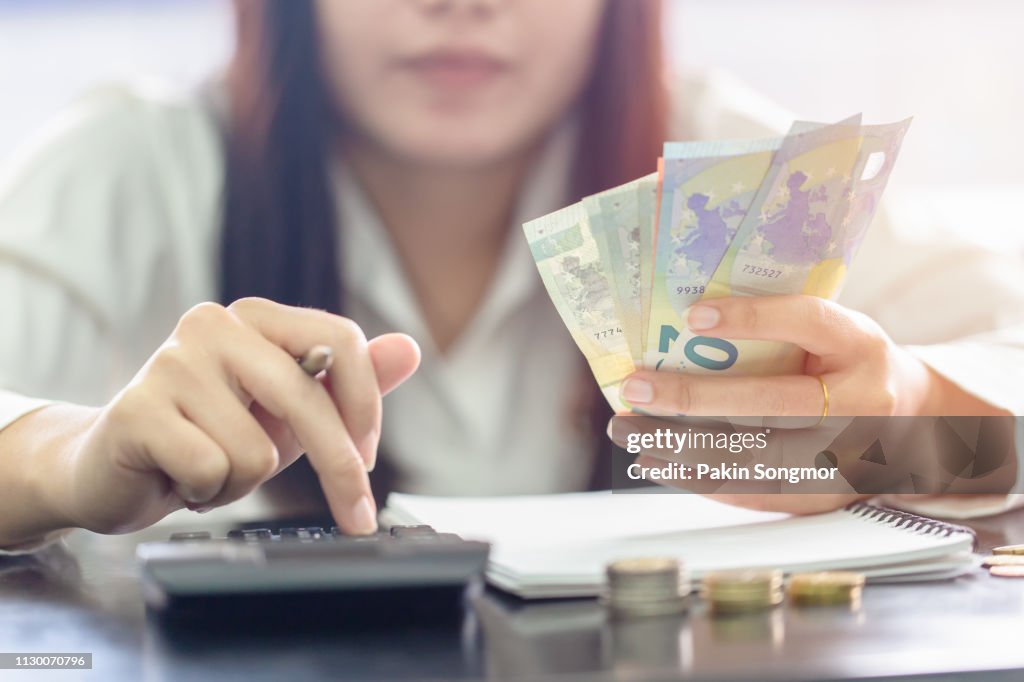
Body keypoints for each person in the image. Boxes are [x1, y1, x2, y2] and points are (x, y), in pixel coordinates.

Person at [0, 0, 1021, 552]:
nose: (461, 7)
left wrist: (909, 424)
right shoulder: (132, 167)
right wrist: (66, 460)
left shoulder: (742, 176)